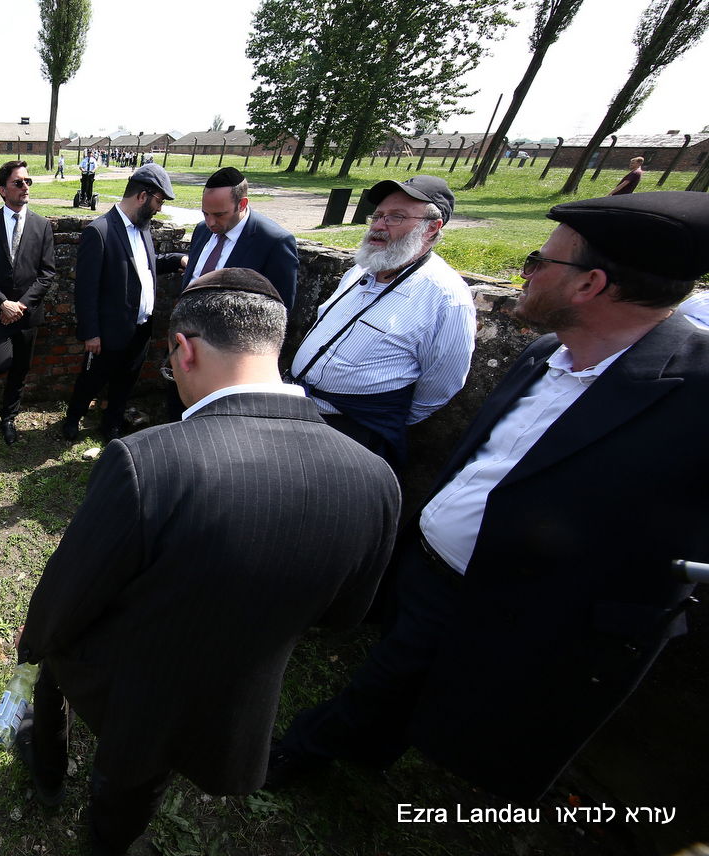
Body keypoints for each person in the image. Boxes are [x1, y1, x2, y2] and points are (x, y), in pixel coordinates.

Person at [270, 191, 709, 803]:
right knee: (398, 669)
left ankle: (306, 749)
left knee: (389, 675)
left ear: (590, 285)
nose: (523, 273)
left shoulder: (694, 394)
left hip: (503, 597)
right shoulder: (543, 353)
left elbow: (439, 391)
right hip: (428, 562)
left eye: (538, 261)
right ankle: (373, 746)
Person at [18, 268, 400, 856]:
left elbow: (70, 593)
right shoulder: (377, 478)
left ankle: (47, 773)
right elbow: (345, 613)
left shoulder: (148, 462)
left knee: (74, 699)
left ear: (185, 350)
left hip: (130, 682)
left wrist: (34, 639)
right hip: (233, 692)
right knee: (134, 794)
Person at [287, 175, 476, 467]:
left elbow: (442, 382)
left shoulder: (446, 296)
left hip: (354, 432)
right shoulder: (361, 270)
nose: (378, 225)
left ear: (432, 228)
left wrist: (377, 414)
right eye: (377, 215)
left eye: (395, 217)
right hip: (301, 408)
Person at [59, 163, 174, 442]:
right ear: (143, 195)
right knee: (92, 380)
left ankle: (111, 425)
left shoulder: (143, 228)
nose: (159, 208)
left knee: (126, 381)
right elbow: (86, 289)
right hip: (108, 331)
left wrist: (174, 260)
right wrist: (91, 332)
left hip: (141, 327)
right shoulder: (99, 231)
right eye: (158, 200)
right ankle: (73, 418)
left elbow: (141, 266)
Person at [0, 160, 57, 444]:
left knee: (20, 369)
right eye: (18, 183)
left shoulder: (42, 226)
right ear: (2, 190)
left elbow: (47, 274)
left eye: (28, 182)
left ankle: (8, 417)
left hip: (27, 314)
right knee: (0, 364)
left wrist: (20, 305)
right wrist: (2, 304)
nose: (25, 187)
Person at [173, 167, 298, 308]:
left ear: (242, 204)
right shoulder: (202, 230)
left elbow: (281, 308)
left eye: (219, 215)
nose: (210, 223)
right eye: (206, 213)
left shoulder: (274, 242)